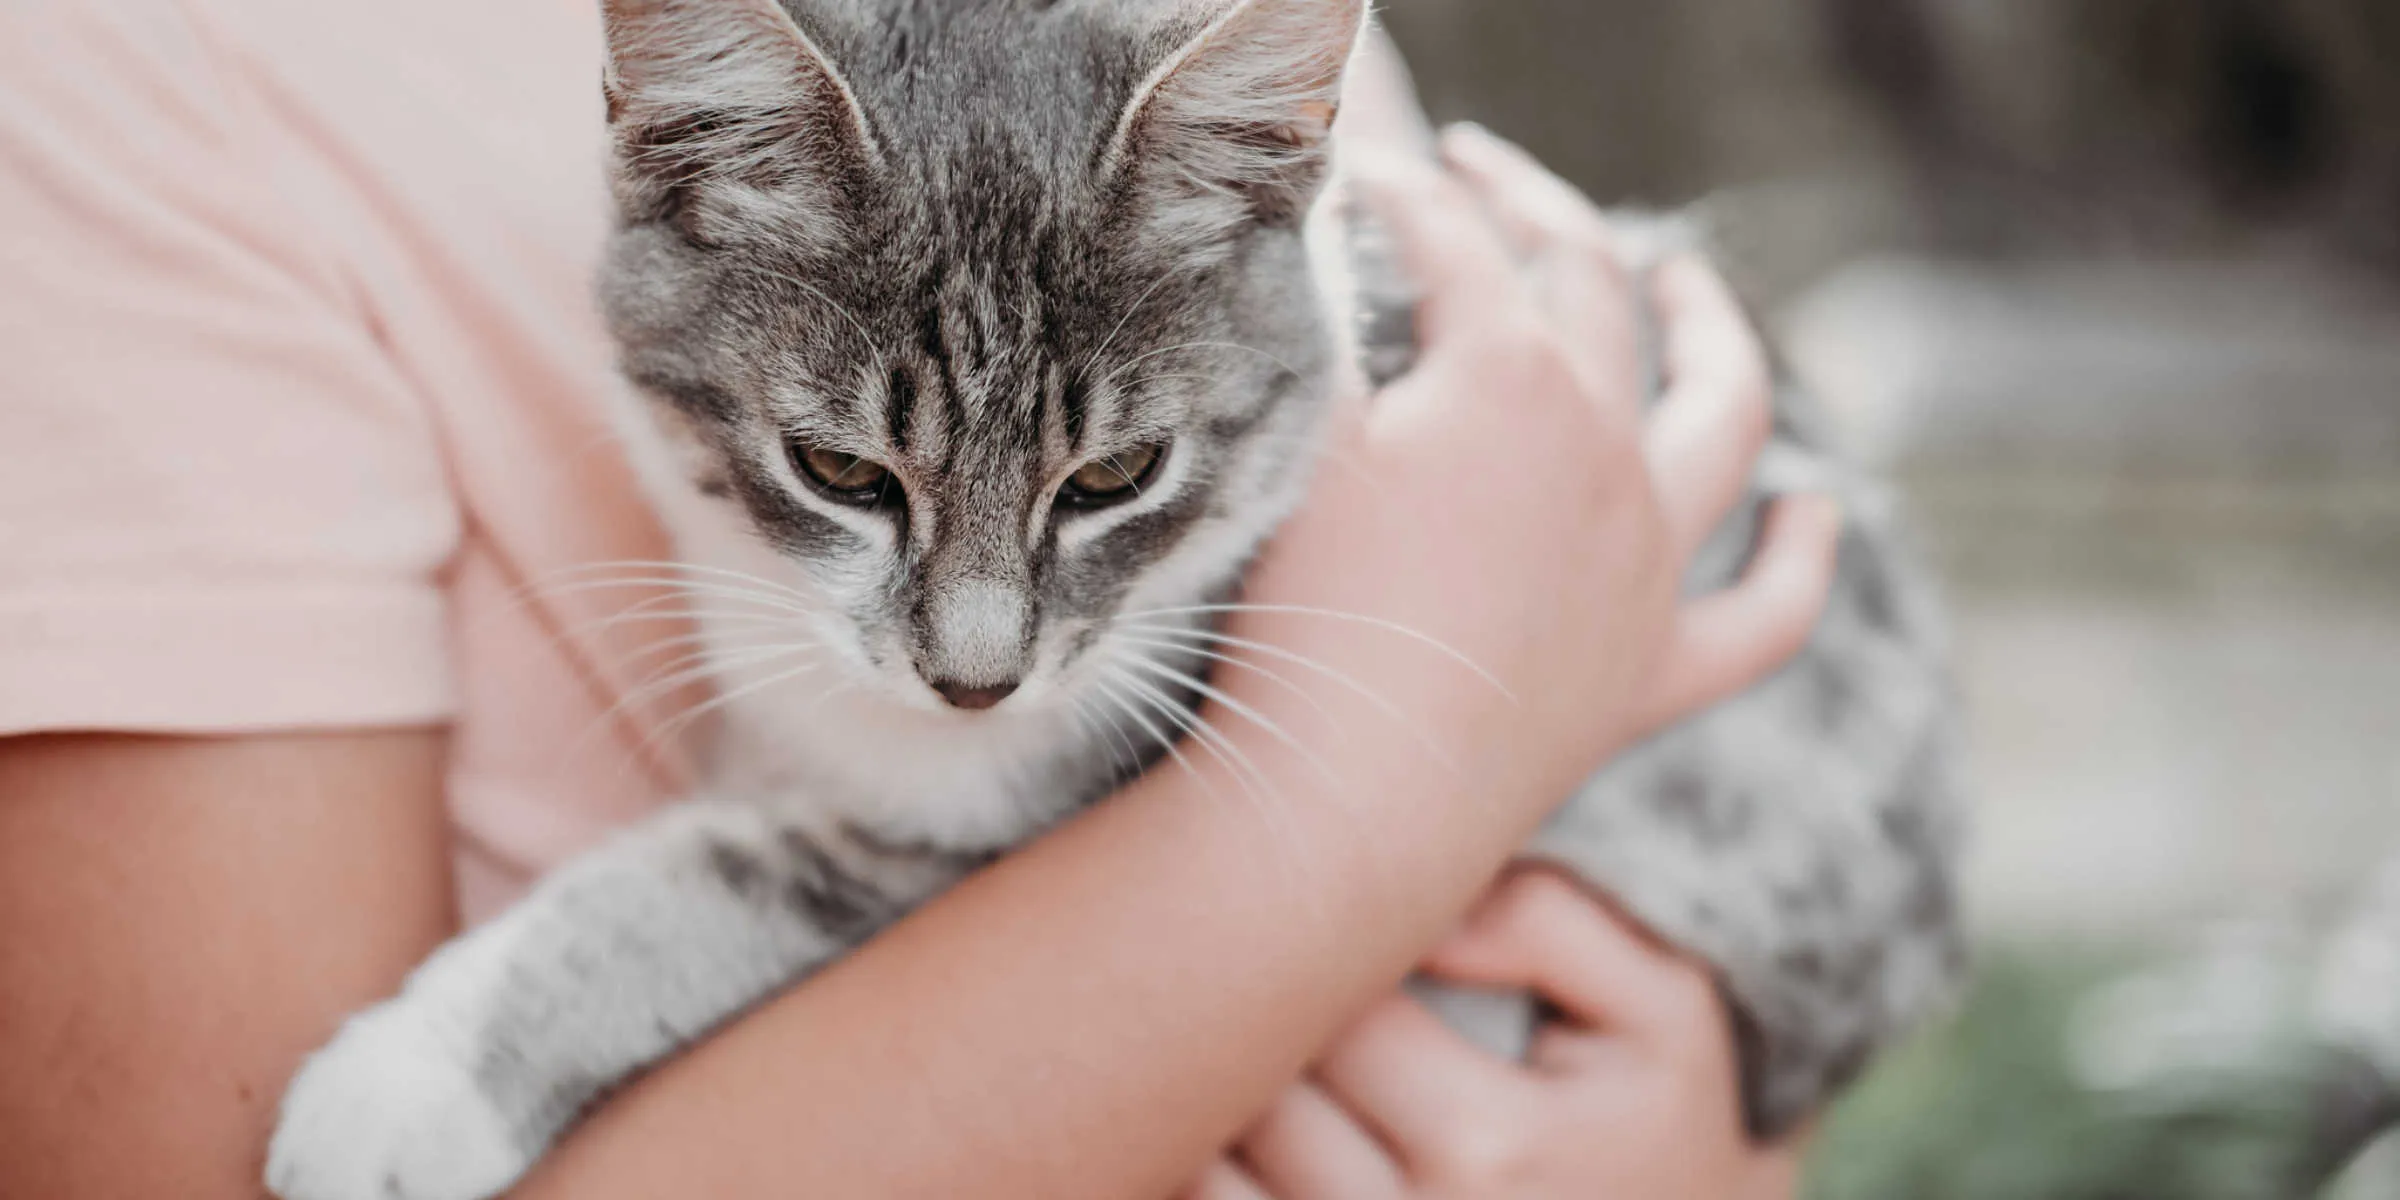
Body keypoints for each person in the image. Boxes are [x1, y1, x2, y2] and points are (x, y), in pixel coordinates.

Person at [0, 2, 1835, 1196]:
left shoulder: (1195, 59)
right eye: (856, 480)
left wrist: (1710, 1141)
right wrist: (1389, 794)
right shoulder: (119, 90)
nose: (980, 653)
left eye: (1105, 489)